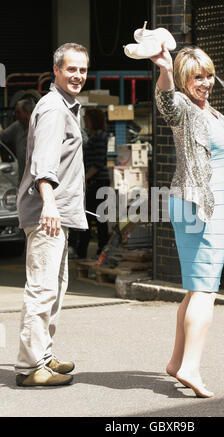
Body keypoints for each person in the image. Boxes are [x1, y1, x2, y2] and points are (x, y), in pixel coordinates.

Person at [151, 45, 224, 398]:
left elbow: (222, 143)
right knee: (205, 290)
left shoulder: (208, 111)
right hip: (201, 208)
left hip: (201, 207)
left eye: (207, 75)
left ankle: (176, 362)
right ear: (184, 79)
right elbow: (167, 103)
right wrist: (165, 71)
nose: (204, 83)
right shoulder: (184, 107)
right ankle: (190, 368)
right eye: (196, 77)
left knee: (194, 288)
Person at [15, 42, 89, 387]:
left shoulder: (67, 106)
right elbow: (43, 162)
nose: (77, 75)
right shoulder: (54, 109)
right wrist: (48, 203)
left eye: (82, 70)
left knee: (55, 289)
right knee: (42, 289)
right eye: (71, 69)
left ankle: (43, 354)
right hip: (49, 213)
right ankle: (30, 368)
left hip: (58, 213)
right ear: (56, 70)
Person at [69, 107, 110, 259]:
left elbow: (98, 163)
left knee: (96, 217)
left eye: (87, 118)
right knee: (90, 216)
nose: (85, 120)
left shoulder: (99, 136)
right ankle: (84, 250)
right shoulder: (91, 136)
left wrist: (84, 178)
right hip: (93, 181)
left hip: (97, 182)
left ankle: (98, 249)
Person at [0, 99, 35, 183]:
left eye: (18, 112)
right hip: (22, 179)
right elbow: (2, 136)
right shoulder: (17, 126)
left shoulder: (38, 127)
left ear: (27, 113)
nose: (16, 115)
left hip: (35, 179)